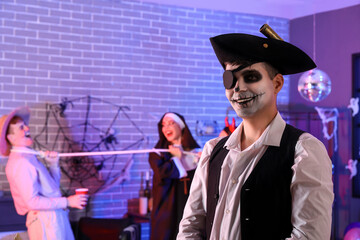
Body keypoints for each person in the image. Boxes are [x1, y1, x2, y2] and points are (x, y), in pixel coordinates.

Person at [177, 26, 334, 239]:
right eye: (230, 79)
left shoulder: (304, 150)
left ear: (276, 83)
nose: (238, 88)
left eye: (250, 76)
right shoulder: (212, 150)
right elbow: (191, 227)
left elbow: (309, 236)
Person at [0, 106, 88, 240]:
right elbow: (32, 202)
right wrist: (68, 202)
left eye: (25, 125)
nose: (27, 128)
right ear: (10, 137)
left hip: (53, 218)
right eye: (21, 128)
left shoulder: (29, 157)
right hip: (45, 221)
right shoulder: (21, 162)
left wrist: (53, 165)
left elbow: (51, 189)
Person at [148, 112, 201, 240]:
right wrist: (176, 159)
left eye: (171, 123)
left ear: (181, 126)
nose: (166, 128)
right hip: (167, 208)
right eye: (163, 125)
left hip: (189, 206)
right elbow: (163, 174)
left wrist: (203, 161)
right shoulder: (158, 154)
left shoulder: (195, 152)